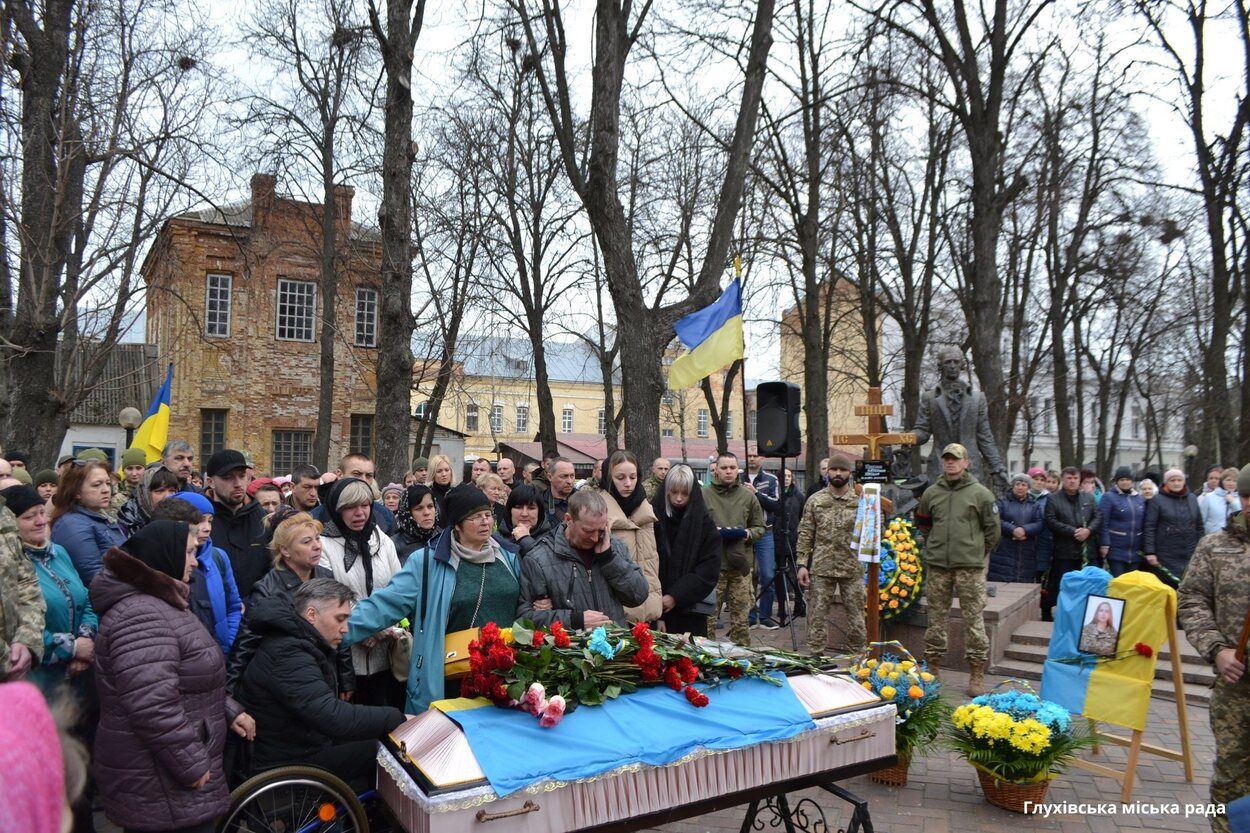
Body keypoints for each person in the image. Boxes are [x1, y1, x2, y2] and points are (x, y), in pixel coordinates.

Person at [90, 520, 254, 833]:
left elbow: (183, 680)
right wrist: (189, 763)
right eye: (190, 552)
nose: (195, 561)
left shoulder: (162, 603)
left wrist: (228, 709)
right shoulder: (142, 614)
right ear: (165, 555)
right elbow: (151, 702)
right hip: (161, 778)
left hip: (169, 773)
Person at [346, 485, 524, 712]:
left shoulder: (508, 556)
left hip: (504, 677)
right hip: (451, 677)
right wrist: (338, 628)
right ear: (457, 524)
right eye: (475, 517)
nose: (485, 522)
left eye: (488, 515)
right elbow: (387, 603)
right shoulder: (428, 562)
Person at [237, 579, 404, 788]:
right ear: (311, 615)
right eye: (340, 619)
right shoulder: (290, 654)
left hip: (299, 743)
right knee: (383, 750)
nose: (345, 629)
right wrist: (397, 718)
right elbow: (333, 717)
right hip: (288, 759)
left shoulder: (295, 642)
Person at [1178, 464, 1250, 833]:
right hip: (1237, 683)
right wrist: (1217, 649)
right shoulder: (1216, 545)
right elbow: (1191, 599)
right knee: (1232, 773)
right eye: (1248, 497)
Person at [226, 513, 354, 699]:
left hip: (325, 677)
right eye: (306, 542)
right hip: (288, 683)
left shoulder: (325, 576)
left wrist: (346, 677)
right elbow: (246, 645)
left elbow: (340, 629)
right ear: (285, 550)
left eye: (317, 538)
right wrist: (231, 698)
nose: (317, 546)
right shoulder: (267, 589)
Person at [915, 443, 1000, 696]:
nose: (950, 463)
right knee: (936, 619)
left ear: (966, 463)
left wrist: (976, 552)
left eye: (956, 459)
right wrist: (935, 546)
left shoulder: (981, 494)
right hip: (939, 566)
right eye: (947, 459)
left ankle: (976, 673)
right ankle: (933, 668)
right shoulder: (932, 493)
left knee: (974, 620)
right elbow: (923, 524)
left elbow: (993, 530)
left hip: (969, 568)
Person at [319, 478, 402, 706]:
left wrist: (382, 627)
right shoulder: (323, 545)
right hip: (345, 660)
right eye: (350, 507)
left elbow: (398, 589)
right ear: (337, 510)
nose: (359, 513)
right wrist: (366, 628)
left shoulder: (381, 540)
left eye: (365, 505)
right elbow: (330, 596)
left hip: (386, 655)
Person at [4, 485, 95, 695]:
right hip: (35, 683)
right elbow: (13, 628)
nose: (41, 522)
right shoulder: (8, 567)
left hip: (76, 679)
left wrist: (86, 640)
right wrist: (71, 649)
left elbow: (85, 598)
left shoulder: (58, 552)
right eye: (29, 517)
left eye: (42, 513)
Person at [519, 489, 648, 630]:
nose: (594, 538)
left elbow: (638, 596)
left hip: (613, 644)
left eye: (600, 530)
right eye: (588, 531)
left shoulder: (614, 547)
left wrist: (609, 559)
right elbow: (525, 618)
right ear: (568, 520)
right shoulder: (539, 558)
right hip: (571, 648)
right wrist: (574, 620)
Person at [152, 494, 242, 656]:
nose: (207, 528)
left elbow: (234, 606)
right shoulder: (164, 563)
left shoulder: (218, 557)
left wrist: (228, 643)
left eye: (210, 520)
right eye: (200, 520)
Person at [796, 453, 864, 654]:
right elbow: (806, 532)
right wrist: (802, 564)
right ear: (827, 472)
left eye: (842, 469)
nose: (837, 473)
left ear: (849, 473)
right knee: (817, 616)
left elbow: (875, 531)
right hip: (822, 567)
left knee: (857, 618)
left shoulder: (860, 499)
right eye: (834, 469)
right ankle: (815, 658)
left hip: (852, 567)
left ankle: (858, 659)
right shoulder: (816, 500)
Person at [702, 453, 765, 647]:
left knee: (741, 619)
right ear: (716, 470)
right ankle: (707, 656)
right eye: (724, 468)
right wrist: (712, 533)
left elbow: (760, 527)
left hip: (740, 565)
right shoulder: (704, 495)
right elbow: (695, 526)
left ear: (738, 470)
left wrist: (747, 533)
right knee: (709, 618)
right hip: (713, 565)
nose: (728, 471)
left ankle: (742, 657)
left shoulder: (748, 496)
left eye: (732, 467)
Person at [651, 465, 720, 636]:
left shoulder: (705, 525)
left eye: (684, 493)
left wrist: (675, 596)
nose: (679, 499)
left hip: (691, 610)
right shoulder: (653, 518)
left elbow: (708, 569)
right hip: (656, 606)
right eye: (674, 492)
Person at [600, 450, 662, 624]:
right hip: (613, 614)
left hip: (648, 612)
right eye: (620, 478)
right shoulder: (598, 511)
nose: (628, 483)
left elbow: (657, 558)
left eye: (633, 477)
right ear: (608, 478)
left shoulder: (647, 510)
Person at [51, 460, 126, 586]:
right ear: (76, 492)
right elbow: (93, 576)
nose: (106, 490)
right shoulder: (71, 525)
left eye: (108, 483)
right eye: (97, 485)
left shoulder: (102, 517)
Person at [206, 450, 269, 598]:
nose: (238, 484)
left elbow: (273, 569)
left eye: (242, 476)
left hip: (258, 609)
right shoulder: (200, 519)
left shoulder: (263, 519)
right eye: (228, 478)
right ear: (210, 482)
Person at [1043, 466, 1102, 621]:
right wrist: (1073, 532)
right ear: (1063, 479)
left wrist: (1088, 530)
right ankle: (1051, 612)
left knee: (1088, 585)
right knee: (1061, 583)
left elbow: (1098, 517)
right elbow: (1051, 520)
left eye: (1075, 478)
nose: (1072, 481)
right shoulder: (1054, 498)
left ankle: (1085, 615)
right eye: (1069, 478)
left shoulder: (1088, 498)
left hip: (1087, 551)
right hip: (1064, 550)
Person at [0, 493, 46, 681]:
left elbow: (26, 581)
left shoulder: (4, 513)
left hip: (13, 670)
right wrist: (5, 658)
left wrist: (26, 640)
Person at [743, 446, 782, 628]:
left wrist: (756, 493)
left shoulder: (771, 479)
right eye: (749, 456)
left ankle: (765, 617)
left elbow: (776, 505)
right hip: (745, 533)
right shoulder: (738, 477)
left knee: (767, 574)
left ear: (762, 458)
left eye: (755, 456)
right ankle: (750, 618)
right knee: (747, 576)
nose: (752, 459)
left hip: (765, 532)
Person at [1143, 468, 1204, 585]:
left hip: (1189, 552)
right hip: (1166, 554)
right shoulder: (1157, 500)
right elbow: (1150, 527)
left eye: (1179, 480)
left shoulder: (1192, 499)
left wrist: (1201, 549)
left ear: (1184, 481)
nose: (1176, 483)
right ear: (1166, 482)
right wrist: (1150, 552)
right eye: (1172, 480)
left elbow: (1199, 526)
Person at [989, 473, 1044, 583]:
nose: (1020, 487)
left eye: (1024, 485)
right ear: (1013, 486)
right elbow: (995, 520)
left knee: (1022, 585)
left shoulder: (1034, 504)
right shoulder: (1002, 502)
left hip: (1026, 550)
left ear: (1028, 487)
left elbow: (1040, 523)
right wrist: (1013, 530)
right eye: (1017, 484)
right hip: (1003, 548)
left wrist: (1024, 530)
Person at [330, 453, 395, 534]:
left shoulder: (384, 515)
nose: (363, 480)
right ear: (340, 475)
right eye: (356, 474)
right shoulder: (320, 516)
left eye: (369, 475)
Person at [1099, 466, 1145, 577]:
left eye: (1128, 479)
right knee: (1118, 582)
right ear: (1116, 482)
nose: (1125, 482)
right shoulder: (1109, 497)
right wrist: (1104, 544)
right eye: (1122, 480)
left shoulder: (1139, 498)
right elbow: (1103, 522)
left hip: (1135, 551)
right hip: (1116, 550)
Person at [117, 466, 181, 537]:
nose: (167, 496)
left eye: (172, 491)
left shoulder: (181, 521)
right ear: (145, 493)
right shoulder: (126, 524)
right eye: (160, 491)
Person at [390, 484, 442, 565]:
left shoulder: (444, 539)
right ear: (407, 513)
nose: (427, 513)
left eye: (430, 506)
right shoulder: (392, 546)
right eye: (419, 508)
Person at [498, 483, 553, 557]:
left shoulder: (552, 541)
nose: (524, 514)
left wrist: (525, 540)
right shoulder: (495, 541)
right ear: (509, 511)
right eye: (518, 507)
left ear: (539, 512)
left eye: (531, 508)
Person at [1200, 467, 1241, 535]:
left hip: (1234, 540)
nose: (1231, 483)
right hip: (1212, 539)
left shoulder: (1241, 498)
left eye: (1235, 481)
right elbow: (1201, 520)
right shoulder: (1209, 497)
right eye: (1228, 480)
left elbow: (1242, 516)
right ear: (1222, 481)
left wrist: (1233, 502)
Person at [540, 457, 576, 529]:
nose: (570, 481)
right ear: (550, 477)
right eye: (564, 476)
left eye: (572, 476)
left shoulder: (584, 501)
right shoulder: (540, 503)